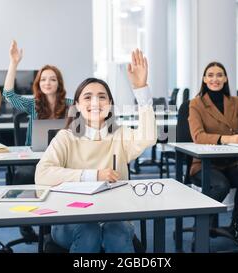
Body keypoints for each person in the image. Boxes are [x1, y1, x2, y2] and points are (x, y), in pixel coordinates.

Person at [35, 49, 156, 253]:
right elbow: (43, 173)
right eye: (88, 97)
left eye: (102, 97)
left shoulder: (120, 135)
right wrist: (94, 175)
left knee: (117, 232)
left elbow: (149, 137)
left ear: (109, 105)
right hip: (70, 219)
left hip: (113, 215)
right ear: (78, 106)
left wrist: (141, 90)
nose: (95, 103)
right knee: (88, 230)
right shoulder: (66, 137)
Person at [188, 62, 238, 248]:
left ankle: (235, 225)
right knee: (220, 185)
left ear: (225, 79)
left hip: (230, 163)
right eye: (210, 75)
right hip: (204, 165)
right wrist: (227, 139)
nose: (215, 79)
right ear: (204, 79)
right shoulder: (196, 104)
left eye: (219, 75)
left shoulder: (235, 102)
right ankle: (201, 226)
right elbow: (198, 136)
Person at [2, 40, 71, 146]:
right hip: (35, 157)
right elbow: (9, 95)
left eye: (52, 79)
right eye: (43, 79)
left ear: (59, 83)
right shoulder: (33, 104)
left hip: (63, 155)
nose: (47, 83)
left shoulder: (70, 104)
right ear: (38, 83)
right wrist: (13, 63)